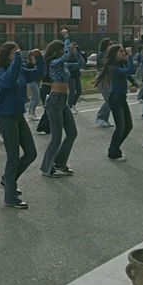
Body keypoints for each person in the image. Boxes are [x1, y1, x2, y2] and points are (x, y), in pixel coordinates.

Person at [0, 42, 46, 209]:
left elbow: (40, 73)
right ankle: (10, 197)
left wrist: (39, 57)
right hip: (6, 118)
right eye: (14, 52)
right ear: (7, 55)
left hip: (18, 116)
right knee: (13, 157)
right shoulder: (1, 72)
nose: (18, 53)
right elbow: (8, 81)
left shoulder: (21, 70)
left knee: (31, 153)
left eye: (18, 51)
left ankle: (8, 180)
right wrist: (17, 58)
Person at [39, 30, 84, 177]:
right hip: (54, 100)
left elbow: (82, 64)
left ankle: (60, 163)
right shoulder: (54, 63)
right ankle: (47, 168)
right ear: (57, 51)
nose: (65, 52)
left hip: (62, 101)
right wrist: (66, 37)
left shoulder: (64, 65)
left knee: (72, 133)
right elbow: (65, 56)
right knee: (56, 137)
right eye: (62, 50)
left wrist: (75, 51)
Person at [94, 45, 138, 161]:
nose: (123, 53)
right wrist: (130, 55)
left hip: (122, 98)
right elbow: (129, 70)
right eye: (121, 52)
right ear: (114, 54)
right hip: (116, 99)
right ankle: (113, 152)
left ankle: (114, 148)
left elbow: (129, 75)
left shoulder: (120, 65)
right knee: (121, 127)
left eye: (124, 51)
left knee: (128, 126)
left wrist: (134, 83)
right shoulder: (112, 67)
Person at [94, 37, 116, 128]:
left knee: (111, 100)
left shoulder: (107, 54)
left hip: (108, 79)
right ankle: (100, 117)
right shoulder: (102, 55)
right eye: (110, 44)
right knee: (110, 100)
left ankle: (104, 119)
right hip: (103, 80)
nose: (112, 46)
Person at [66, 43, 83, 114]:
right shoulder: (67, 54)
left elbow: (82, 62)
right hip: (71, 74)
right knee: (72, 91)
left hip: (77, 74)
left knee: (79, 90)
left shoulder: (76, 53)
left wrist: (76, 51)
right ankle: (69, 106)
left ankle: (73, 104)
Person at [26, 49, 42, 121]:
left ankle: (30, 113)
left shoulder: (38, 62)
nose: (33, 57)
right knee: (37, 97)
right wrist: (35, 64)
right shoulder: (29, 64)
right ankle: (32, 113)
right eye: (32, 56)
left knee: (34, 97)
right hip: (32, 81)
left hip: (37, 81)